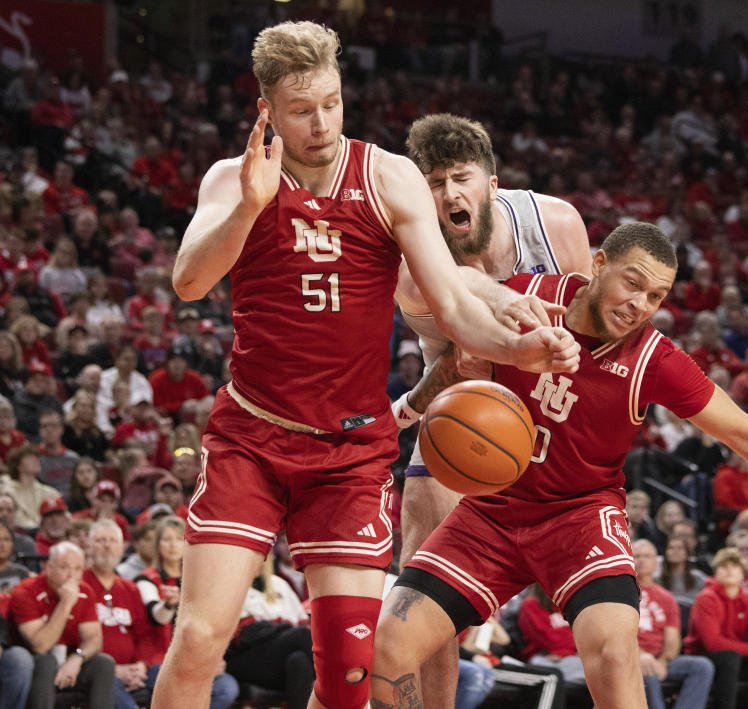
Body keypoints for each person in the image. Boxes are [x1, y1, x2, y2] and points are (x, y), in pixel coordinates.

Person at [152, 22, 579, 709]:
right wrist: (250, 209)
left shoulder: (388, 177)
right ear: (268, 110)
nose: (320, 122)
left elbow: (452, 305)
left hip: (349, 452)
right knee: (202, 634)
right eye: (300, 110)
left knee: (351, 676)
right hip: (253, 439)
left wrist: (523, 348)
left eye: (331, 102)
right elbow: (188, 282)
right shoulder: (233, 179)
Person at [372, 223, 748, 709]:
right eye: (633, 283)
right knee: (388, 645)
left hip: (579, 517)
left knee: (613, 654)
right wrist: (412, 401)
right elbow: (444, 300)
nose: (640, 304)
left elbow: (747, 434)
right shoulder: (531, 298)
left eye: (655, 295)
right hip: (490, 515)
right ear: (598, 264)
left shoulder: (654, 360)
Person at [391, 111, 594, 707]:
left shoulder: (555, 223)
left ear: (492, 182)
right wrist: (410, 409)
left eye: (461, 177)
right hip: (471, 399)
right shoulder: (411, 270)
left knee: (604, 602)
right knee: (420, 554)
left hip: (559, 405)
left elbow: (593, 340)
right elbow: (461, 366)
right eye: (432, 182)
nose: (449, 193)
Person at [137, 516, 238, 709]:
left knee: (227, 687)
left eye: (178, 538)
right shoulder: (146, 579)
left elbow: (211, 623)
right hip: (159, 661)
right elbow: (156, 617)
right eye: (166, 539)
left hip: (195, 660)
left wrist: (215, 657)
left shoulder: (199, 579)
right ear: (157, 544)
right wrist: (168, 605)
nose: (173, 545)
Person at [10, 541, 116, 709]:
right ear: (49, 567)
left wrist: (77, 658)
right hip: (34, 665)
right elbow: (40, 645)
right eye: (64, 567)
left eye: (77, 569)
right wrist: (66, 603)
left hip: (69, 662)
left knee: (104, 663)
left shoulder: (85, 591)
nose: (71, 575)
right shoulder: (26, 591)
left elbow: (95, 640)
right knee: (46, 662)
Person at [684, 547, 748, 709]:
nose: (729, 570)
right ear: (716, 572)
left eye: (734, 566)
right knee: (729, 657)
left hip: (736, 659)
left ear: (742, 573)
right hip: (705, 658)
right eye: (724, 566)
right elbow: (712, 644)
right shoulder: (706, 598)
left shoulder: (747, 599)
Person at [82, 519, 155, 709]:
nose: (107, 545)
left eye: (112, 541)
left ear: (122, 549)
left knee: (169, 675)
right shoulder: (80, 586)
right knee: (106, 680)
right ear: (89, 547)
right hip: (95, 669)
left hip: (134, 670)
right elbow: (75, 637)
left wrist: (141, 665)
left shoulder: (130, 589)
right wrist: (114, 670)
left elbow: (144, 635)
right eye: (100, 540)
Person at [225, 553, 314, 709]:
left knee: (298, 660)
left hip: (278, 659)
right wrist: (283, 627)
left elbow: (301, 621)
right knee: (301, 636)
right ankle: (338, 683)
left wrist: (276, 628)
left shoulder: (279, 584)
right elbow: (245, 636)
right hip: (245, 658)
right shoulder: (230, 586)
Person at [632, 539, 714, 709]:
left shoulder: (666, 598)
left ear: (656, 562)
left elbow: (672, 641)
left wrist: (662, 661)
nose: (642, 560)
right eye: (637, 556)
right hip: (630, 658)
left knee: (702, 667)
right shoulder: (621, 594)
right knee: (648, 673)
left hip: (660, 660)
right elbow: (617, 635)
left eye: (647, 556)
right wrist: (640, 655)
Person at [1, 444, 59, 530]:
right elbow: (16, 519)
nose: (35, 460)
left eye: (36, 458)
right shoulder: (6, 490)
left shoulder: (50, 492)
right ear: (18, 466)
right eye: (29, 458)